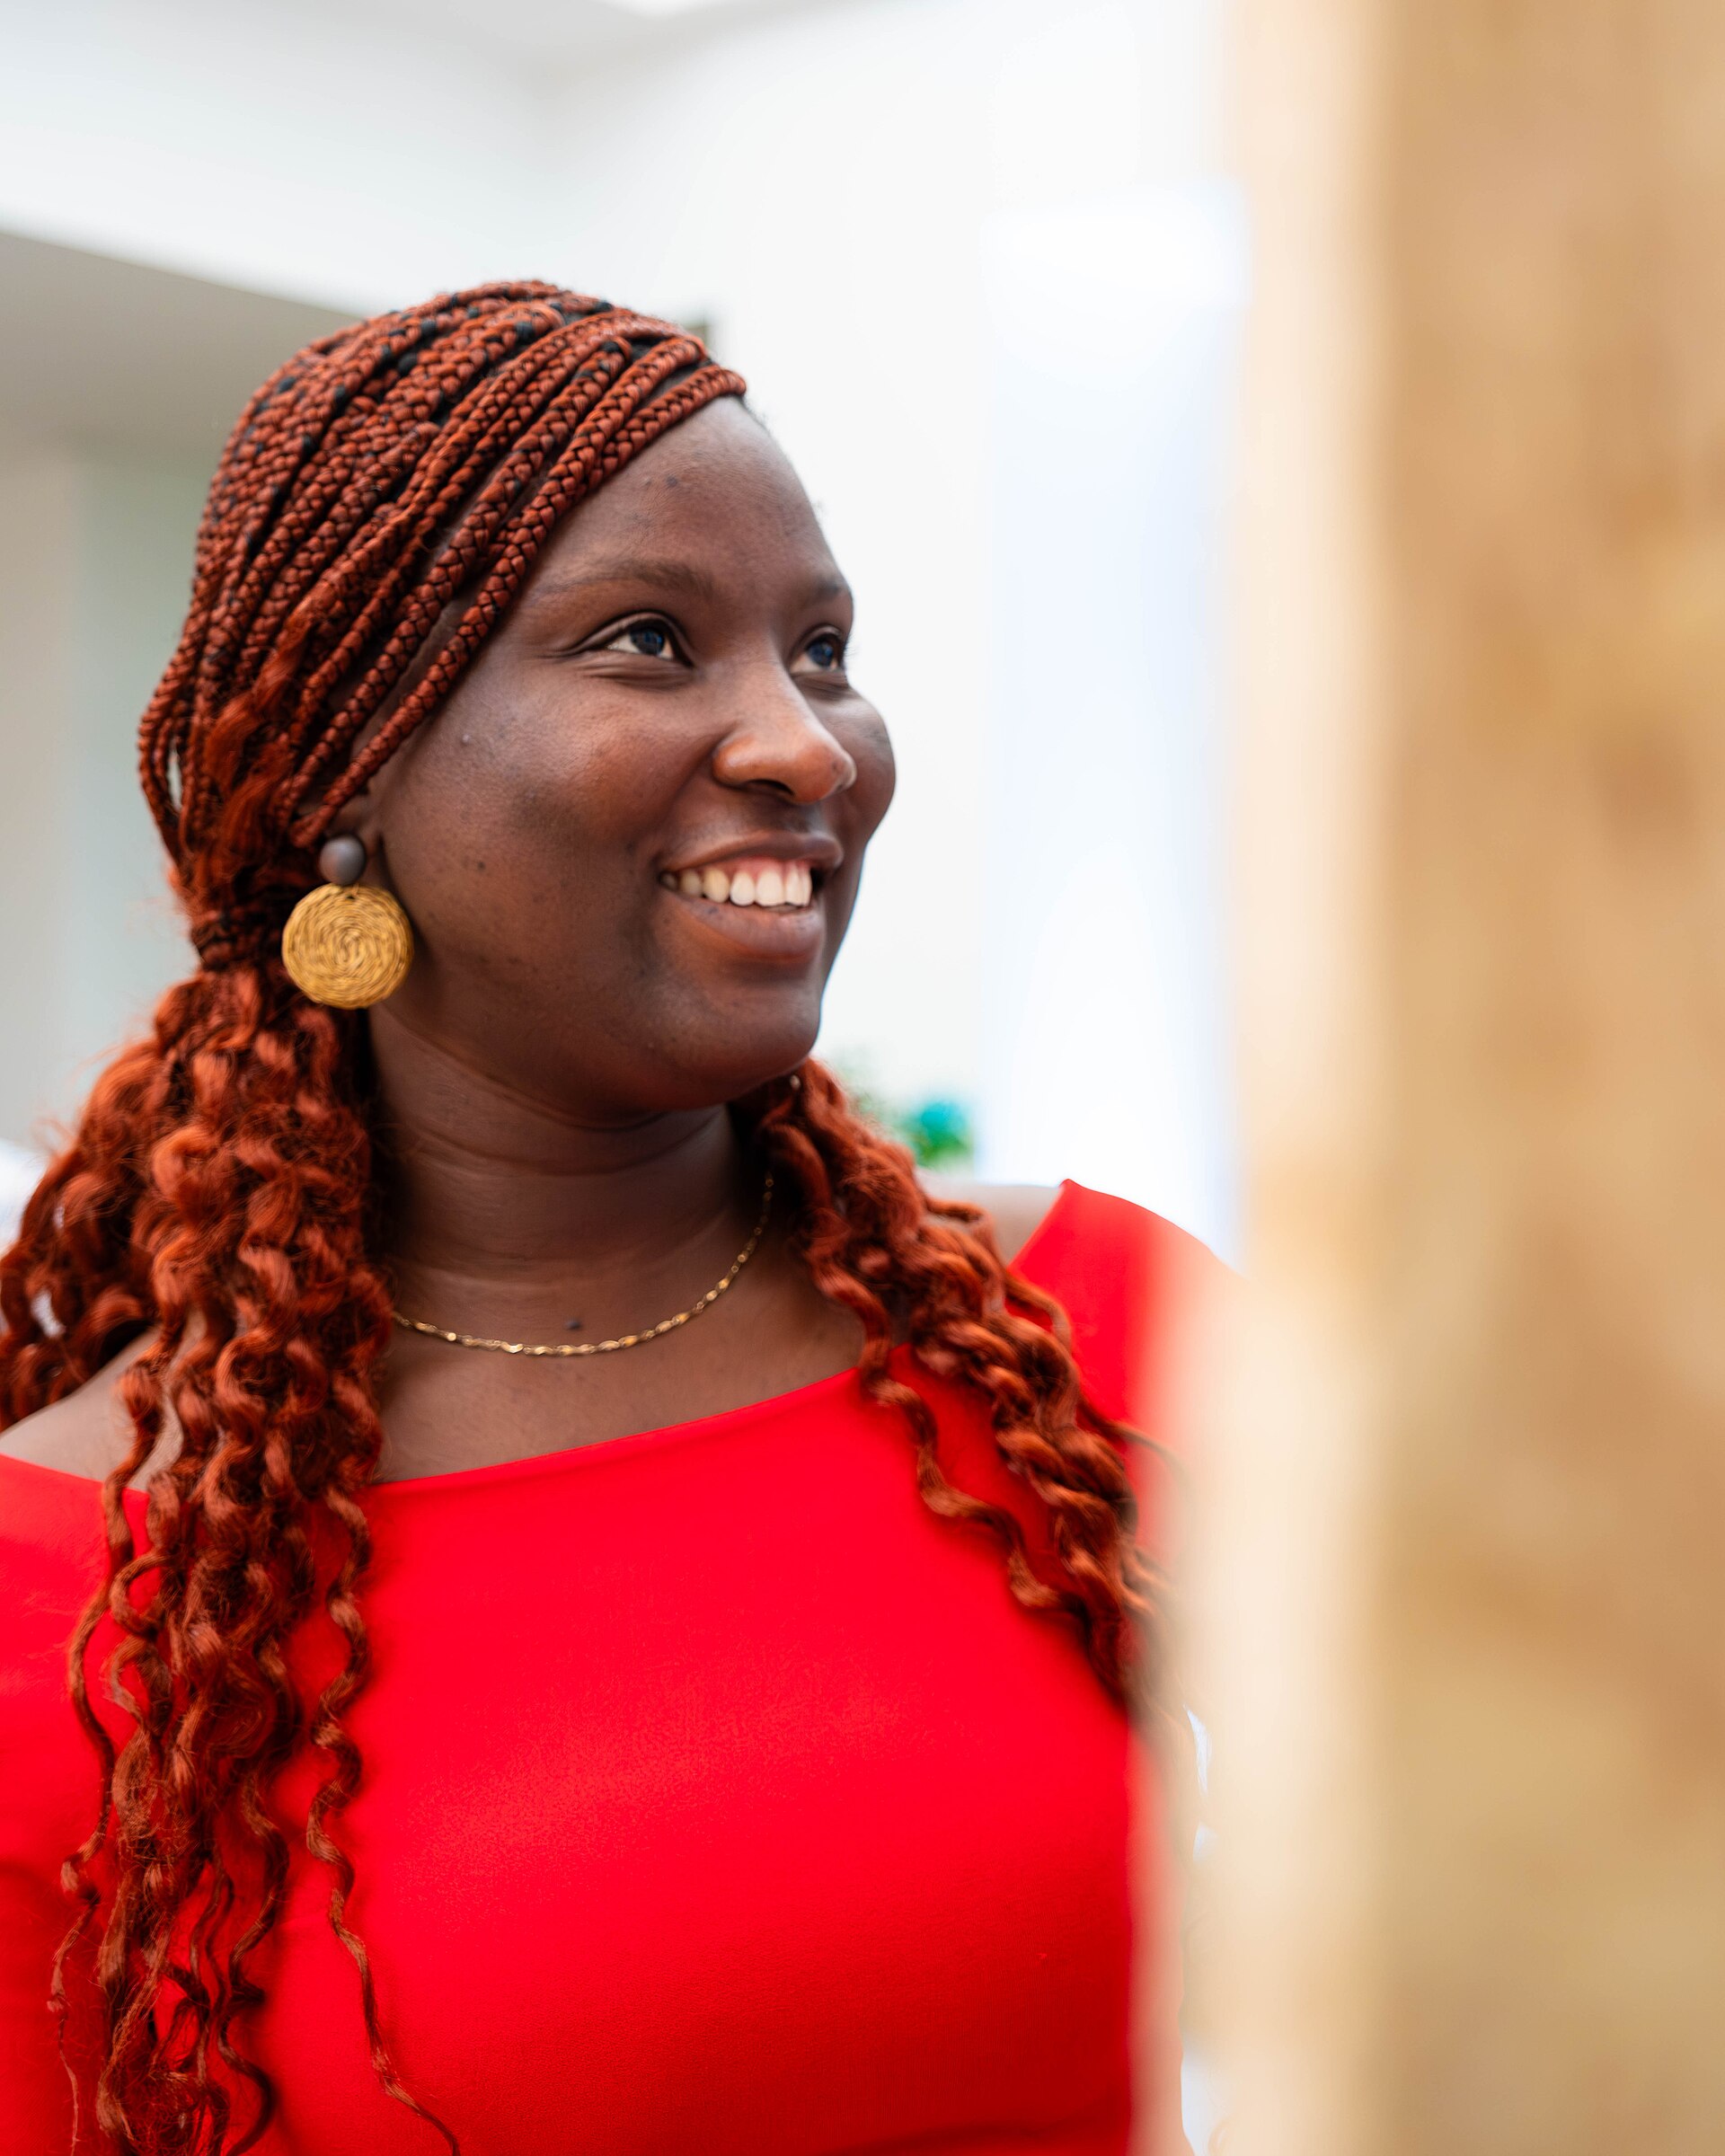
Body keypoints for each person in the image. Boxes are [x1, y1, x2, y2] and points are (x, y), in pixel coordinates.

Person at [0, 284, 1214, 2156]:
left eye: (823, 649)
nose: (806, 744)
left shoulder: (1099, 1328)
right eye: (649, 642)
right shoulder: (57, 1593)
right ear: (348, 765)